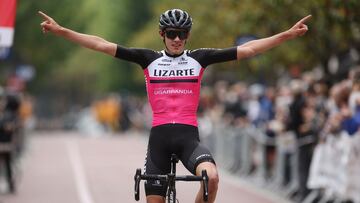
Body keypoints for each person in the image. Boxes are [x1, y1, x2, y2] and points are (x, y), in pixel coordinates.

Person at [39, 9, 311, 203]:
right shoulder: (148, 59)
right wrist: (62, 31)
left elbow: (249, 49)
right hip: (158, 140)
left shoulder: (199, 58)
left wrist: (286, 35)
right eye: (172, 33)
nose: (177, 39)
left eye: (182, 34)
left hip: (187, 138)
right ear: (162, 34)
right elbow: (101, 44)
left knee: (212, 179)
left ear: (188, 34)